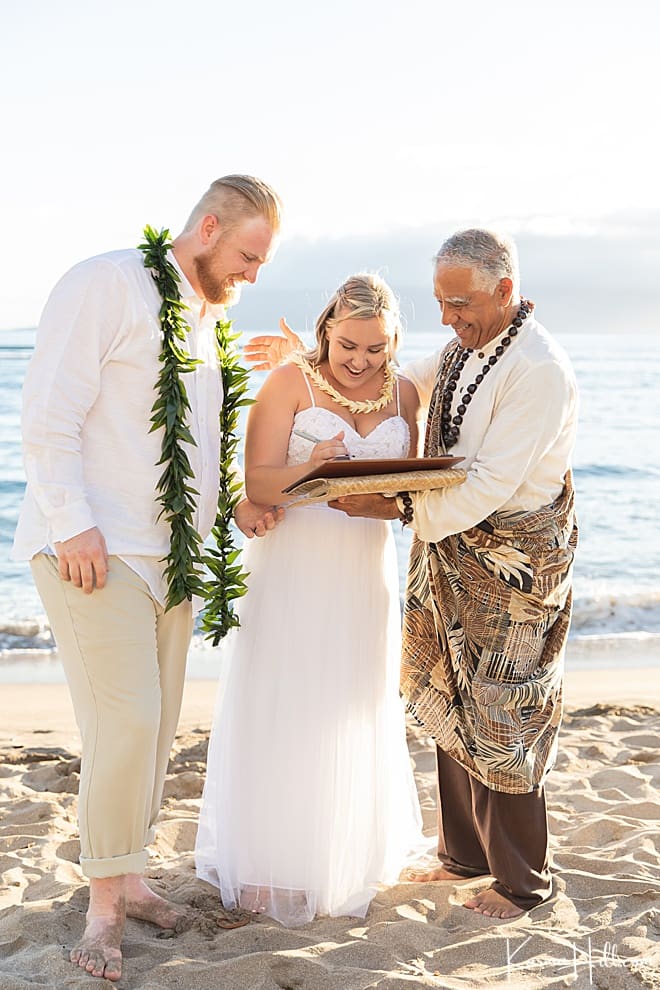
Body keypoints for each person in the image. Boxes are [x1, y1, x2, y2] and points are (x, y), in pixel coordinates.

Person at [248, 229, 578, 921]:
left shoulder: (538, 370)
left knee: (505, 705)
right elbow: (401, 382)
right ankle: (464, 853)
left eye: (458, 303)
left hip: (512, 557)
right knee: (447, 690)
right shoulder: (469, 342)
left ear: (504, 290)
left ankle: (524, 883)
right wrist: (311, 368)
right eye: (440, 303)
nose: (447, 317)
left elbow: (488, 485)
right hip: (450, 545)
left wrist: (392, 507)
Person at [12, 175, 284, 981]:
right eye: (247, 255)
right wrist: (73, 523)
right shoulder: (107, 284)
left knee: (158, 728)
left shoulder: (206, 320)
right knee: (125, 724)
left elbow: (193, 444)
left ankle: (127, 879)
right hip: (93, 548)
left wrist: (232, 504)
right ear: (206, 227)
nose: (253, 274)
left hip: (172, 559)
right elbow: (48, 411)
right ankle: (101, 913)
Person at [195, 273, 426, 927]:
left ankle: (345, 855)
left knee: (351, 703)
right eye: (348, 345)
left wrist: (385, 502)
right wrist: (314, 466)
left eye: (375, 349)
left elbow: (413, 489)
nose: (359, 361)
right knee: (289, 703)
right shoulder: (289, 382)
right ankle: (273, 862)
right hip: (293, 566)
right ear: (326, 330)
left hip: (364, 569)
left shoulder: (407, 394)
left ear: (393, 344)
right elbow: (258, 482)